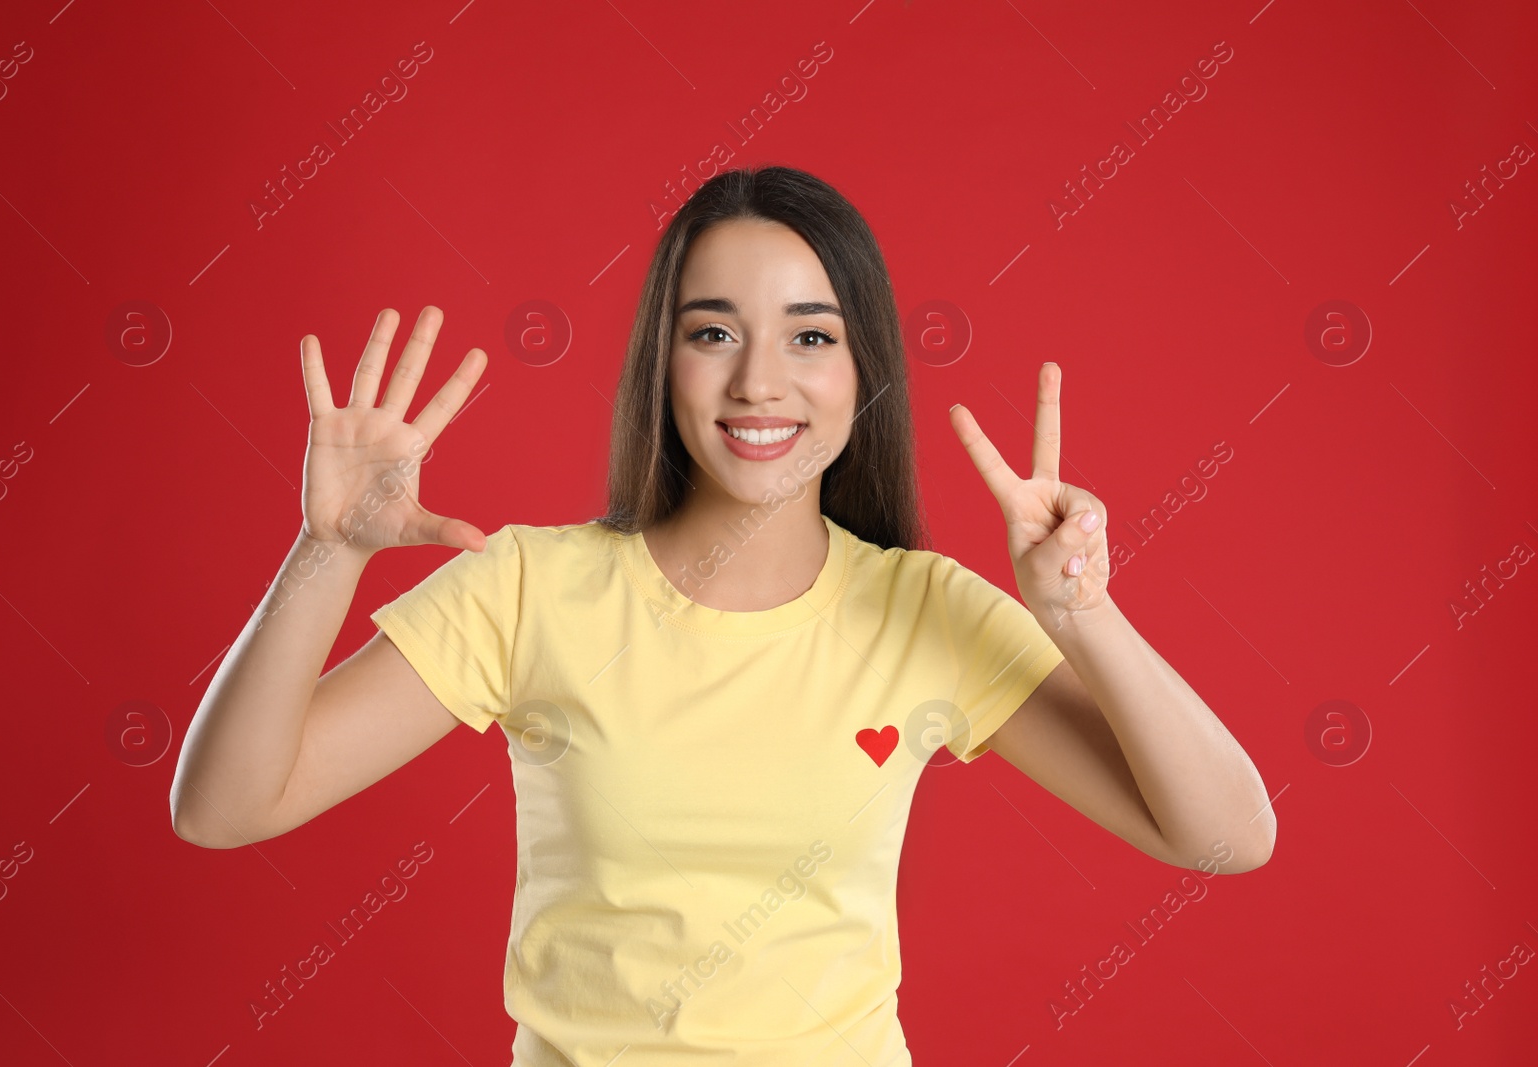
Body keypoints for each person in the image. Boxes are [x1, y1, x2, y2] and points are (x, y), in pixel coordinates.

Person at [170, 165, 1275, 1065]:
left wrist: (1085, 616)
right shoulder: (527, 587)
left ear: (862, 369)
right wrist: (327, 553)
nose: (758, 381)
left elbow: (1227, 835)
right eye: (711, 333)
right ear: (663, 360)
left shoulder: (921, 608)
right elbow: (221, 807)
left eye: (809, 335)